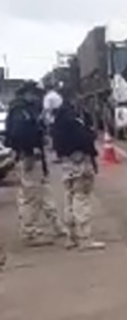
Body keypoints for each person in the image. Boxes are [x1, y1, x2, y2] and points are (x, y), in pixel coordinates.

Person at [5, 80, 64, 246]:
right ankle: (29, 232)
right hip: (29, 157)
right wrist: (28, 152)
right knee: (31, 197)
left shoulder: (25, 110)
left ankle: (56, 225)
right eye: (35, 94)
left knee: (44, 193)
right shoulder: (21, 111)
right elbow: (19, 134)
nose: (37, 97)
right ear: (27, 93)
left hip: (35, 157)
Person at [52, 97, 104, 250]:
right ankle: (85, 238)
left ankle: (71, 236)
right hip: (80, 164)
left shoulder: (57, 125)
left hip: (66, 165)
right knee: (82, 200)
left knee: (69, 200)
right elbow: (86, 139)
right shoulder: (74, 123)